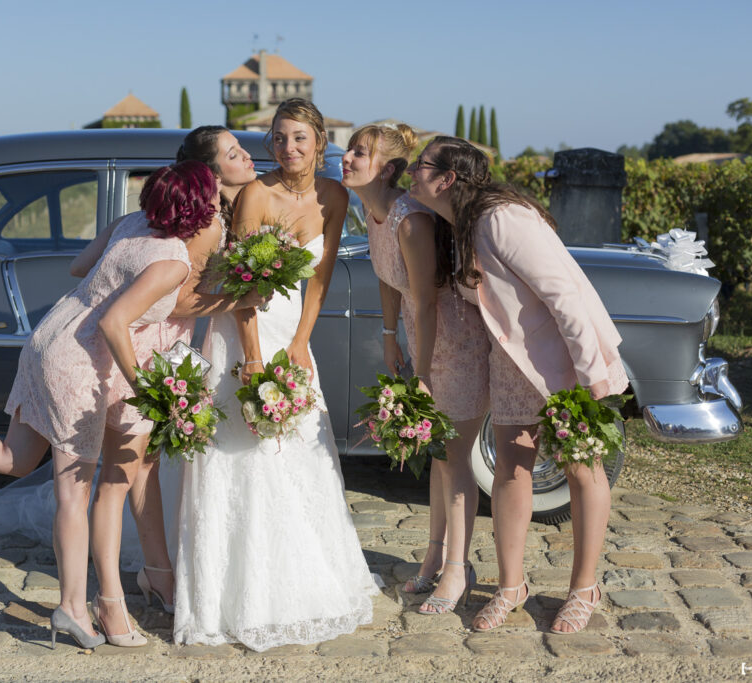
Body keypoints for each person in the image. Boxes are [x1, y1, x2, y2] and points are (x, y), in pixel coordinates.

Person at [0, 126, 261, 607]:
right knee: (101, 481)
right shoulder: (194, 234)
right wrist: (225, 302)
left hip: (58, 335)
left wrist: (119, 277)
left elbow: (80, 268)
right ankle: (93, 604)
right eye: (234, 153)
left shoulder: (132, 221)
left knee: (19, 459)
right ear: (205, 181)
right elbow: (169, 301)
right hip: (111, 353)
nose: (246, 158)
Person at [173, 99, 379, 651]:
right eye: (280, 139)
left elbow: (321, 277)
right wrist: (255, 359)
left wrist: (300, 343)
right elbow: (240, 286)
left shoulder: (334, 197)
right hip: (247, 333)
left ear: (319, 143)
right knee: (242, 454)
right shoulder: (254, 196)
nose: (289, 149)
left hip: (291, 335)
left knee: (296, 457)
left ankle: (304, 575)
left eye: (300, 139)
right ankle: (233, 592)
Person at [406, 136, 628, 633]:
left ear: (448, 179)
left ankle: (583, 588)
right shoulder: (457, 225)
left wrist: (591, 377)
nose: (412, 172)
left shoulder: (501, 218)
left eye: (420, 166)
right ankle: (511, 586)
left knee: (581, 470)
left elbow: (564, 296)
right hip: (512, 363)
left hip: (564, 362)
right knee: (510, 470)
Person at [341, 123, 489, 614]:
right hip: (420, 337)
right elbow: (386, 278)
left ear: (386, 169)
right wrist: (388, 338)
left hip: (455, 343)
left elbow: (427, 302)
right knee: (439, 457)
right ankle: (433, 557)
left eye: (358, 152)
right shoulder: (373, 211)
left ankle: (457, 569)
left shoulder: (412, 221)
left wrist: (421, 374)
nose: (346, 157)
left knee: (455, 458)